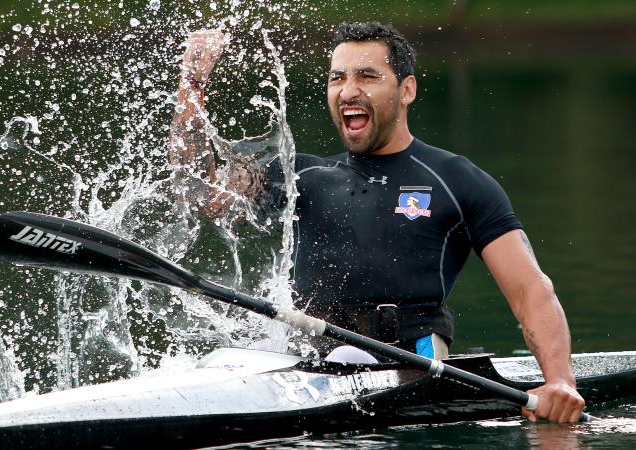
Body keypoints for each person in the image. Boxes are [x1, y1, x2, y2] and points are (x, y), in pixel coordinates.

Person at [169, 22, 586, 423]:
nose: (349, 91)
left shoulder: (457, 181)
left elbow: (530, 290)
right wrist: (192, 85)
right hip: (304, 354)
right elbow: (199, 193)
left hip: (408, 359)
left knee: (345, 361)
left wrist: (560, 383)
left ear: (406, 90)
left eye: (367, 76)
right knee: (219, 360)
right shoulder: (301, 178)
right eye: (338, 78)